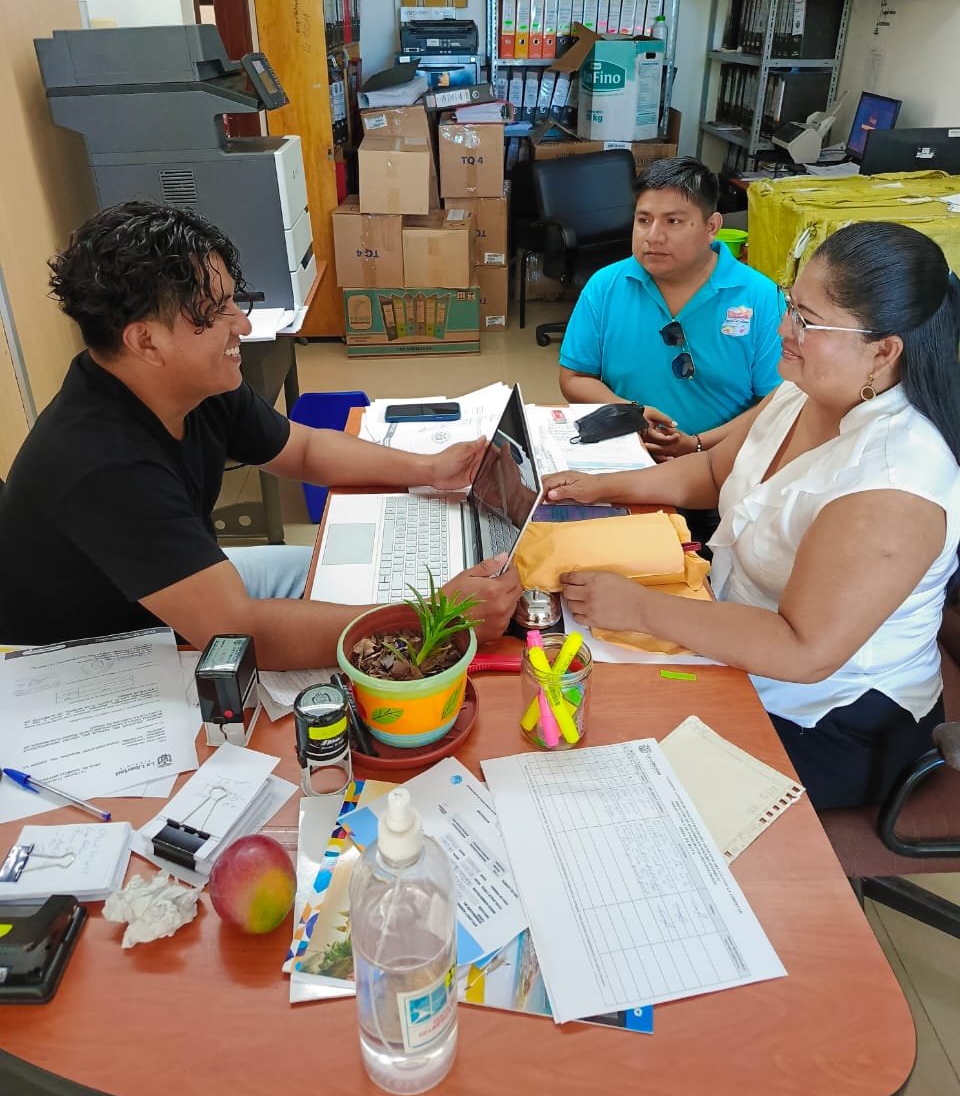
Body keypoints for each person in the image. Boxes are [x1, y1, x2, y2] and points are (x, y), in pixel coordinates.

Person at [544, 222, 960, 811]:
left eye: (807, 320)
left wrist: (637, 608)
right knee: (567, 685)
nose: (784, 329)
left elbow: (803, 651)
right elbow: (716, 472)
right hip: (734, 633)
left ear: (883, 350)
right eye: (791, 306)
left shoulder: (893, 485)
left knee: (606, 768)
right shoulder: (804, 389)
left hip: (828, 714)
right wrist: (600, 486)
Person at [0, 202, 521, 665]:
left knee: (357, 582)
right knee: (373, 652)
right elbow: (237, 634)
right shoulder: (102, 465)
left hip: (173, 591)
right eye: (216, 312)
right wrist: (435, 615)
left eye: (233, 302)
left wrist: (427, 469)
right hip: (90, 652)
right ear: (146, 341)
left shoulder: (190, 383)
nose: (243, 327)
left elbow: (305, 448)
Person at [557, 156, 784, 462]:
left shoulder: (760, 297)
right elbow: (574, 378)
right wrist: (631, 413)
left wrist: (698, 446)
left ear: (711, 226)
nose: (653, 236)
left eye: (672, 221)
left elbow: (777, 403)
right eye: (643, 220)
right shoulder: (605, 286)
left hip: (721, 463)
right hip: (627, 453)